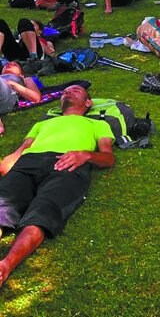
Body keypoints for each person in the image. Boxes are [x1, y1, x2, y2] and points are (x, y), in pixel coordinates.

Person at [0, 84, 115, 287]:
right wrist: (12, 161)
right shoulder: (43, 123)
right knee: (2, 206)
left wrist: (86, 155)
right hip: (29, 162)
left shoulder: (97, 124)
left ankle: (6, 266)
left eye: (76, 90)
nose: (67, 92)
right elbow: (24, 147)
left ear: (88, 103)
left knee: (43, 212)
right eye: (64, 91)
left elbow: (108, 158)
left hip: (68, 163)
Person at [0, 61, 41, 136]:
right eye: (6, 64)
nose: (9, 64)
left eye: (14, 65)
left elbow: (36, 97)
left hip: (8, 95)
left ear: (21, 74)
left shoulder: (26, 79)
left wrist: (13, 84)